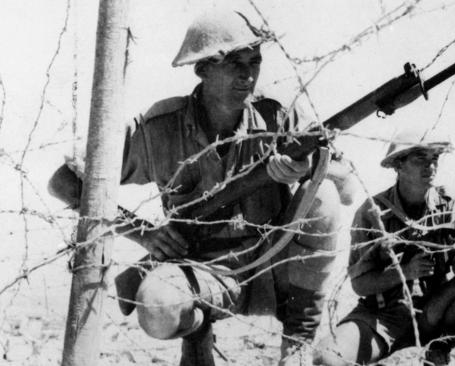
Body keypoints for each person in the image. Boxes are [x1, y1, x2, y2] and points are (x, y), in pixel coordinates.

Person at [48, 8, 354, 366]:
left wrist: (308, 169)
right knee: (157, 308)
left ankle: (298, 340)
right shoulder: (161, 128)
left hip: (278, 266)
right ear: (202, 68)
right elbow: (63, 181)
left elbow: (346, 190)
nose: (248, 73)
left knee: (325, 193)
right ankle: (197, 333)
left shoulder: (278, 116)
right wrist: (143, 233)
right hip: (204, 271)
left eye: (254, 61)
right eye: (233, 62)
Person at [313, 129, 455, 366]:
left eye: (434, 159)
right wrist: (406, 272)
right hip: (381, 317)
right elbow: (360, 284)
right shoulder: (372, 213)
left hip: (430, 314)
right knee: (327, 359)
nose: (430, 166)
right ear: (399, 164)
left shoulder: (448, 204)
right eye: (420, 159)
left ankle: (439, 349)